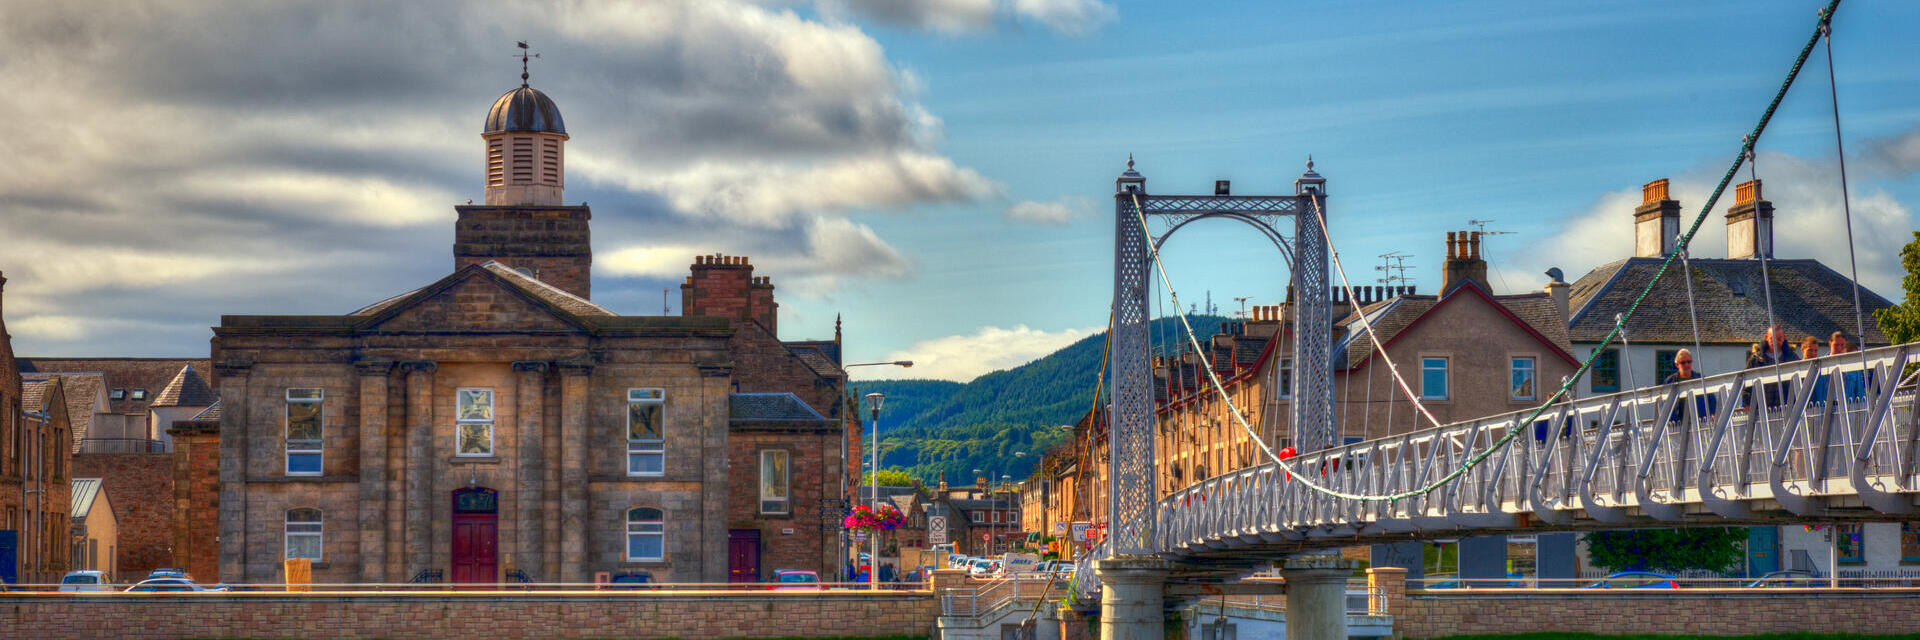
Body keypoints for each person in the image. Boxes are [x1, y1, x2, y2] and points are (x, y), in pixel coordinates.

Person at [1664, 349, 1715, 423]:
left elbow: (1711, 398)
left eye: (1689, 362)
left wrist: (1713, 413)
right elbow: (1664, 404)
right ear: (1677, 365)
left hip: (1700, 421)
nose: (1686, 365)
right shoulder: (1669, 381)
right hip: (1677, 424)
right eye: (1683, 363)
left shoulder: (1700, 378)